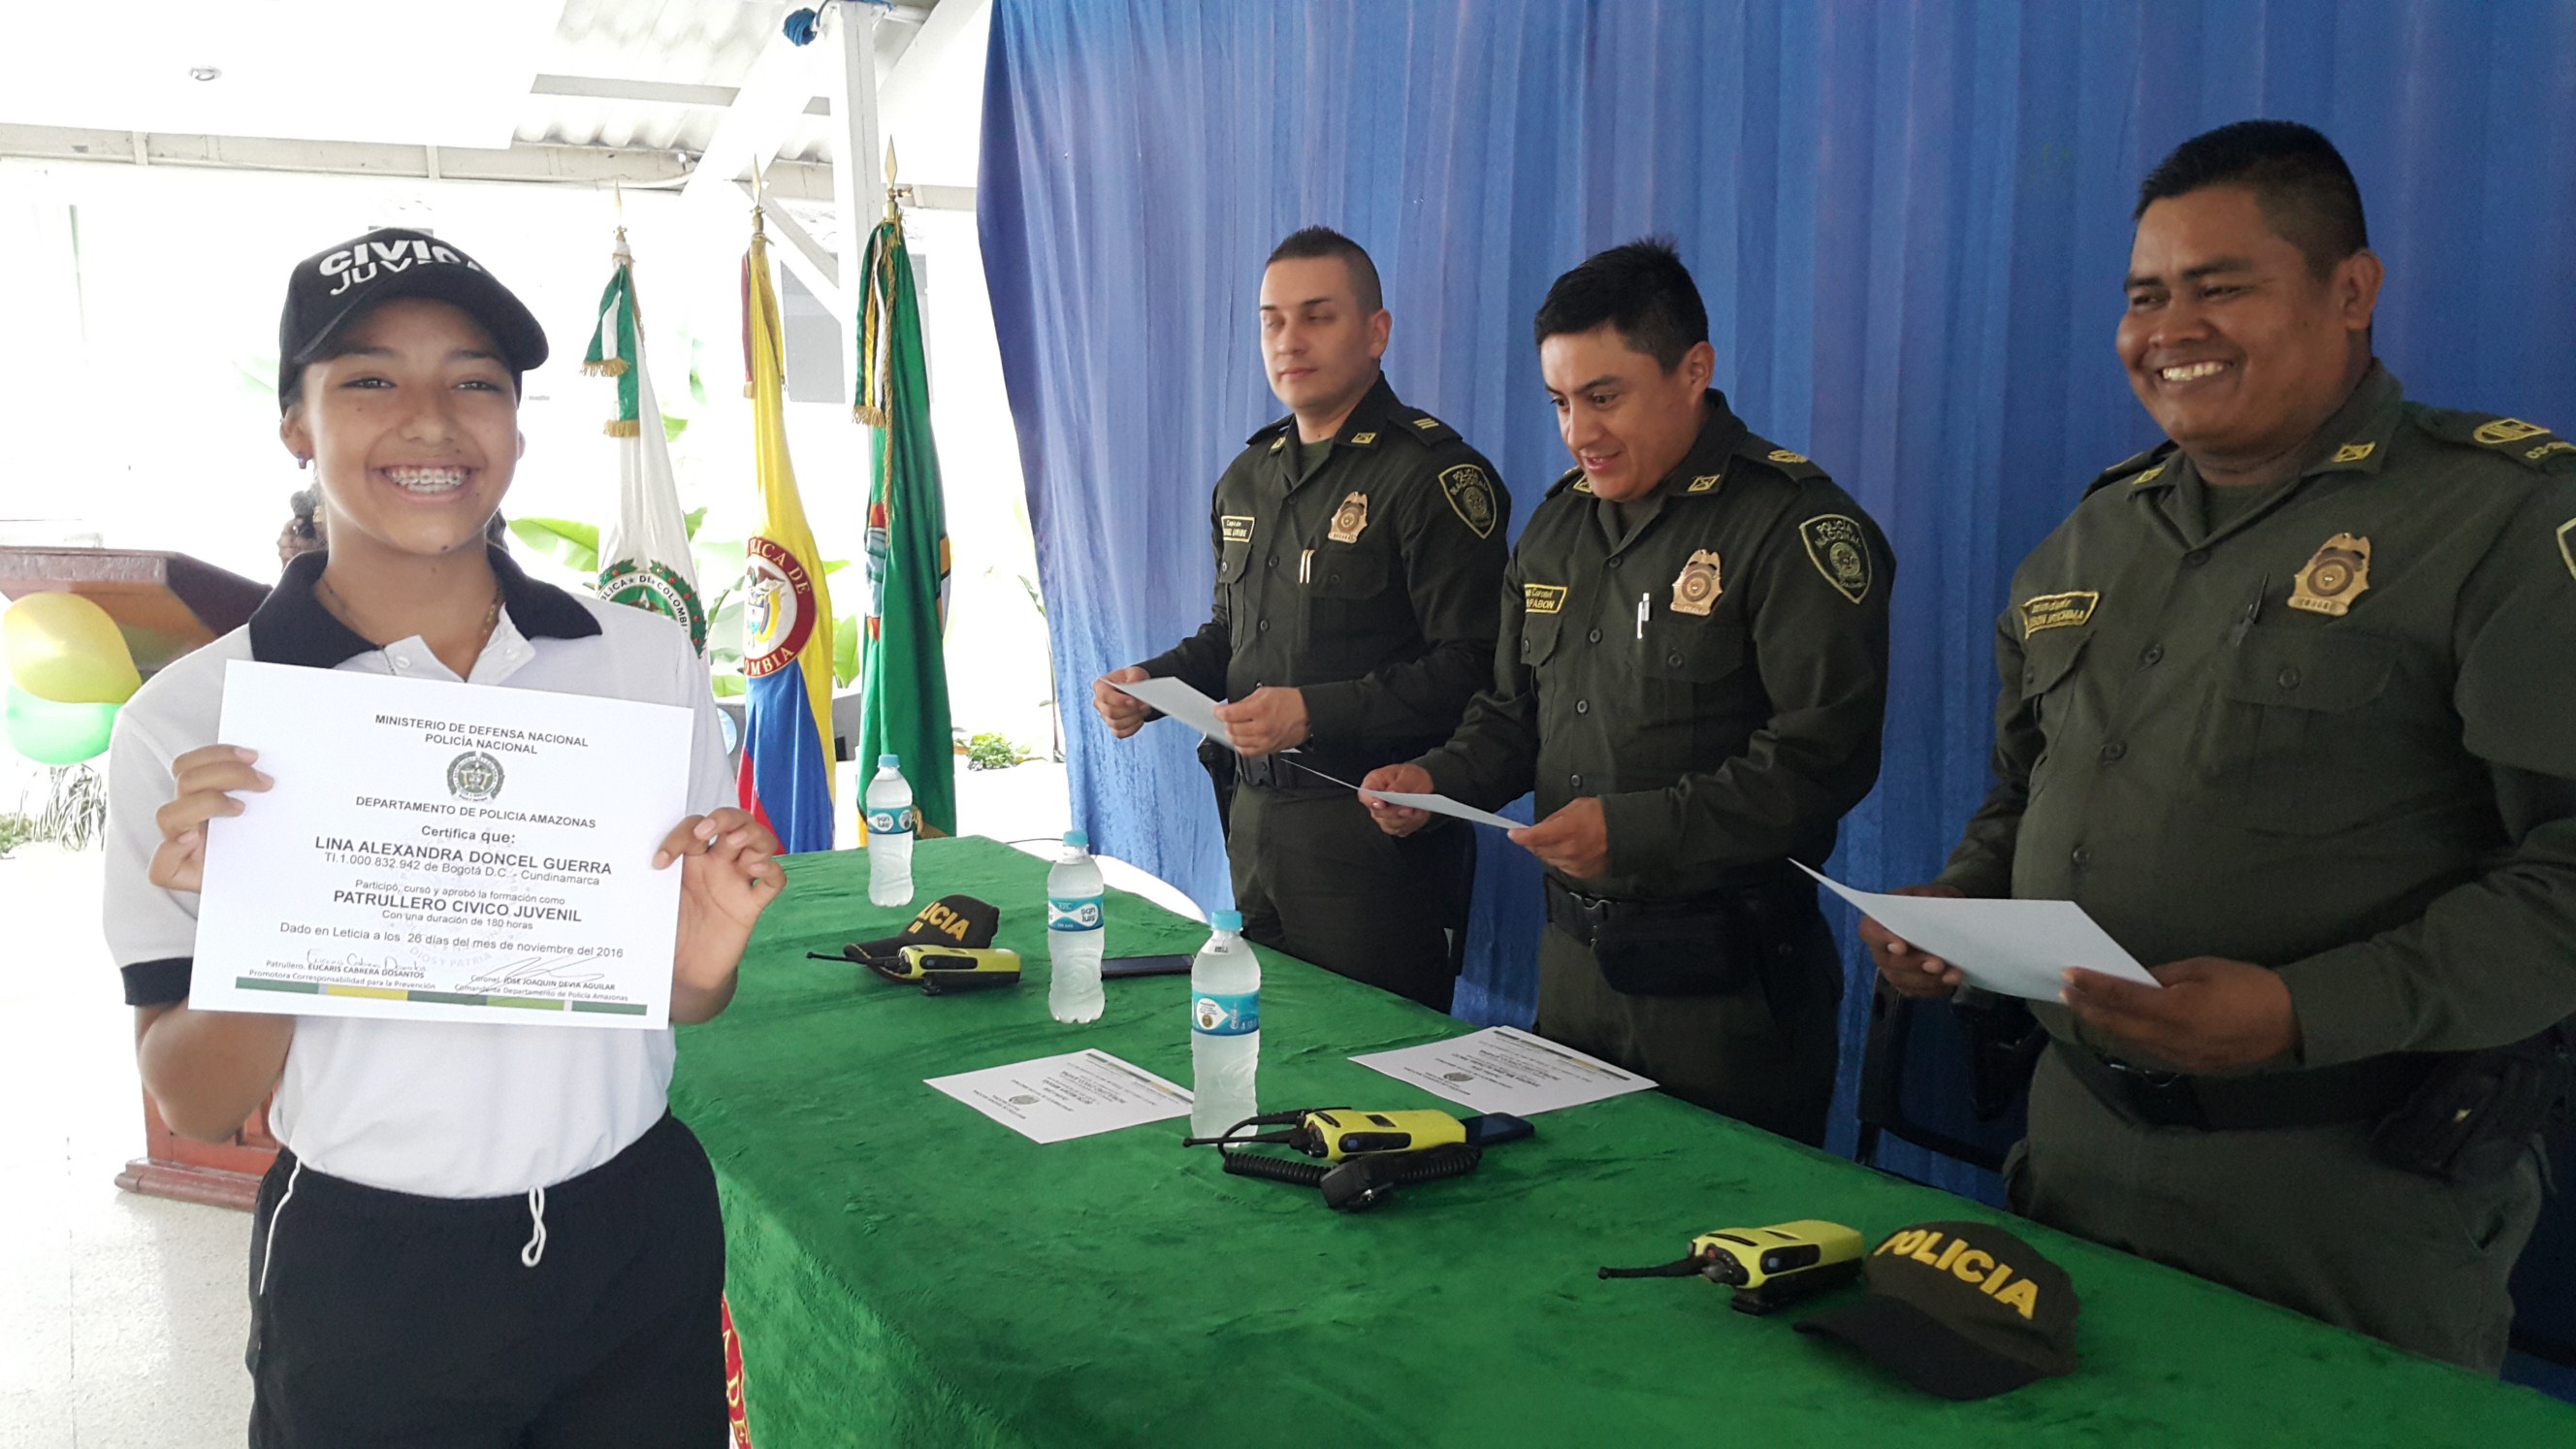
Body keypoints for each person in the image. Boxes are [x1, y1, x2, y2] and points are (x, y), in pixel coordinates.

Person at [1858, 120, 2576, 1371]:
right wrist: (1961, 908)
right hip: (2075, 1155)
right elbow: (2025, 790)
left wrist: (2301, 1012)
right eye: (2144, 296)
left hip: (2338, 1194)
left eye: (2219, 287)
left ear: (2350, 292)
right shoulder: (2091, 538)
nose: (2169, 329)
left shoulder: (2498, 523)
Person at [104, 227, 786, 1444]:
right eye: (370, 378)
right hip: (372, 1266)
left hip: (632, 1229)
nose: (429, 420)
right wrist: (269, 917)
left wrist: (703, 957)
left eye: (474, 380)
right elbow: (198, 1103)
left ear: (516, 425)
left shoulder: (640, 661)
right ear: (297, 424)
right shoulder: (193, 718)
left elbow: (683, 999)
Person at [1363, 241, 1893, 1144]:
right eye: (1560, 403)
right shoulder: (1559, 524)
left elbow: (1818, 761)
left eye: (1604, 397)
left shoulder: (1791, 525)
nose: (1580, 433)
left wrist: (1633, 828)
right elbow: (1512, 716)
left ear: (1694, 371)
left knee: (1719, 1219)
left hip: (1723, 992)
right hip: (1573, 970)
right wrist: (1436, 780)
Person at [1092, 227, 1510, 1012]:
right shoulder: (1248, 476)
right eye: (1272, 321)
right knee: (1265, 1049)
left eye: (1317, 317)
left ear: (1376, 332)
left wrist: (1313, 711)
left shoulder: (1432, 476)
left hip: (1373, 835)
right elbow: (1232, 638)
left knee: (1370, 1059)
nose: (1289, 340)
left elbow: (1476, 668)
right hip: (1253, 821)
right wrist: (1152, 684)